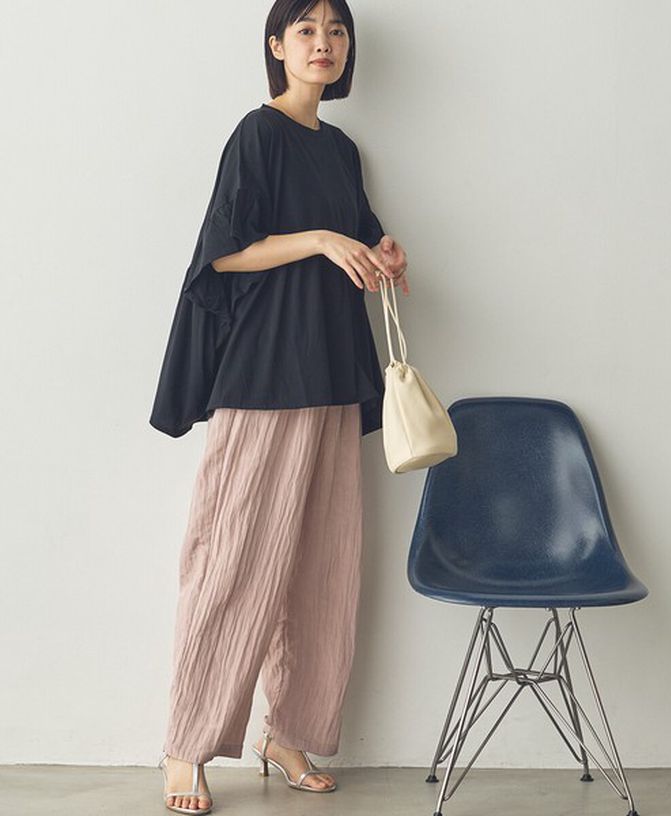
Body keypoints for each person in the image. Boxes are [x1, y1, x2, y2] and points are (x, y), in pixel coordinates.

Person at [151, 1, 409, 812]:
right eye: (307, 30)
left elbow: (359, 239)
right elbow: (225, 251)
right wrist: (321, 239)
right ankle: (187, 745)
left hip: (333, 372)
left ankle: (287, 733)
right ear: (277, 45)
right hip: (264, 373)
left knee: (323, 567)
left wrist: (382, 250)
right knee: (233, 559)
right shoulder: (257, 135)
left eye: (336, 32)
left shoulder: (341, 149)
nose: (323, 43)